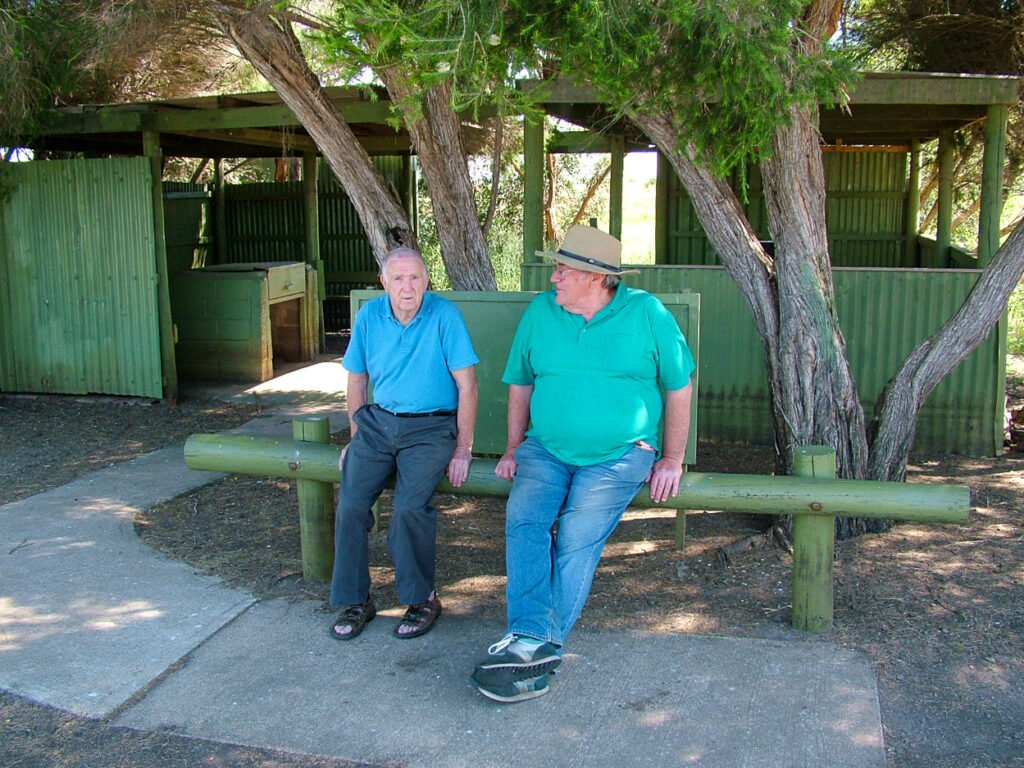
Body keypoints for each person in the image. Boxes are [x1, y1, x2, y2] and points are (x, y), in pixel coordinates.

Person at [471, 225, 695, 702]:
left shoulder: (647, 314)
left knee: (576, 535)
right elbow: (520, 384)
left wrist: (673, 457)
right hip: (545, 449)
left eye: (563, 269)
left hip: (619, 456)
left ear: (596, 278)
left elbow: (679, 387)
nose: (554, 277)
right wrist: (513, 448)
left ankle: (533, 647)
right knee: (526, 521)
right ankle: (535, 640)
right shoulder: (541, 312)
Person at [329, 247, 479, 641]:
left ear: (427, 280)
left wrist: (463, 447)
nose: (407, 287)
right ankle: (355, 600)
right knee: (350, 504)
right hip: (378, 425)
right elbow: (357, 380)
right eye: (398, 279)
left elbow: (468, 385)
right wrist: (356, 436)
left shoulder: (444, 315)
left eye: (415, 278)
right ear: (384, 283)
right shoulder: (370, 317)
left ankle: (422, 599)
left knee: (409, 508)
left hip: (431, 428)